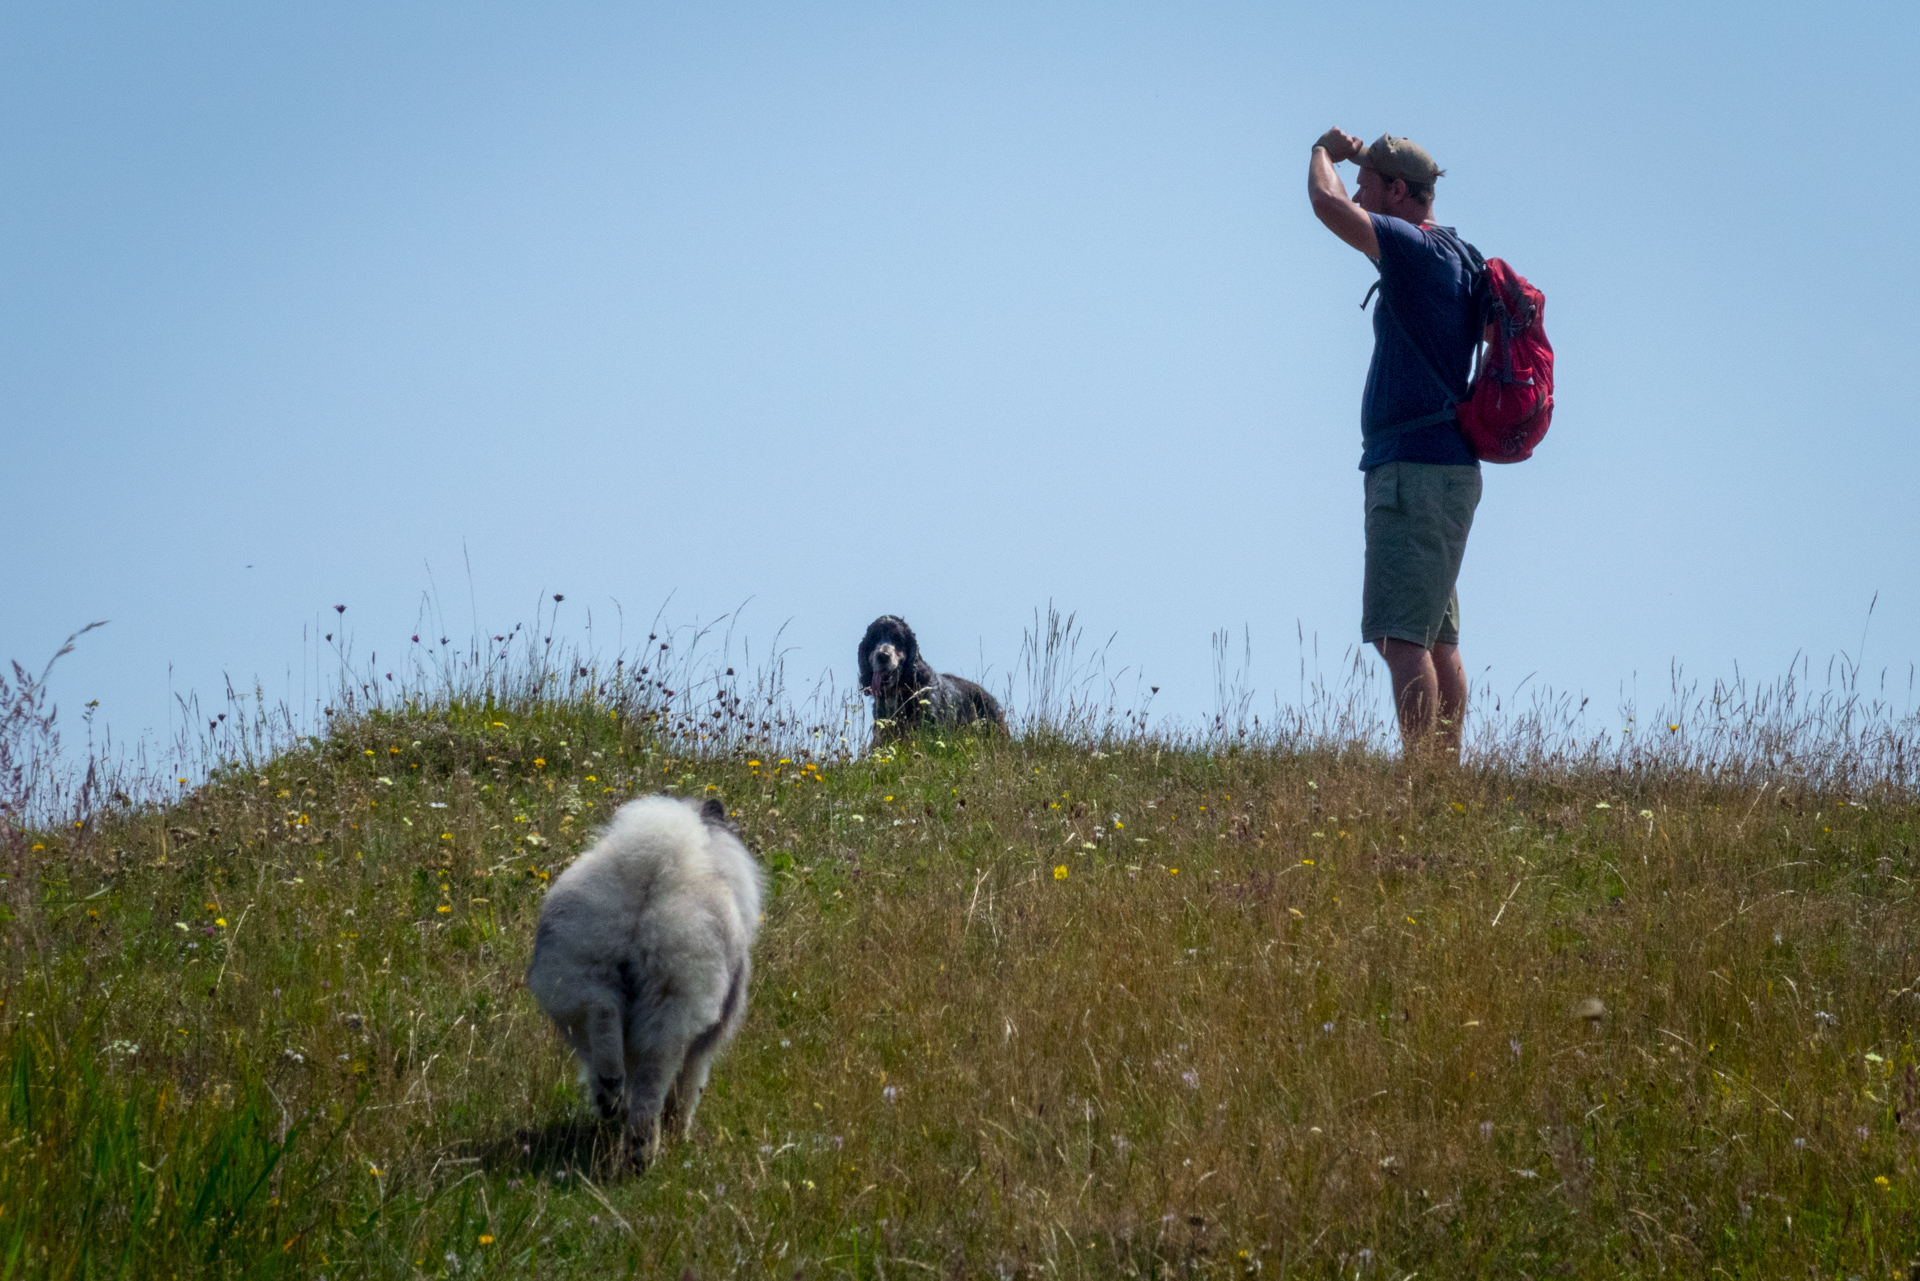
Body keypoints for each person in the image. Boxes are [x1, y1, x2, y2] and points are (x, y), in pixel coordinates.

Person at [1307, 129, 1483, 763]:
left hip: (1413, 471)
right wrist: (1363, 164)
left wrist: (1323, 152)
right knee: (1436, 638)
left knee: (1400, 636)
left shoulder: (1414, 248)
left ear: (1399, 191)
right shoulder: (1462, 256)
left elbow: (1329, 207)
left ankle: (1424, 779)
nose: (1358, 193)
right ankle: (1444, 773)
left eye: (1370, 184)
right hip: (1449, 470)